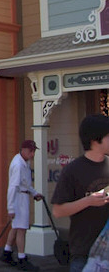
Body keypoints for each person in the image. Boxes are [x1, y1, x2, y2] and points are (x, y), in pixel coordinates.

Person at [51, 114, 109, 272]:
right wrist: (88, 201)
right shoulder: (73, 170)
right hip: (83, 253)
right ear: (95, 140)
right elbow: (57, 211)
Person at [0, 139, 43, 271]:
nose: (32, 154)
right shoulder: (18, 165)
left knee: (16, 226)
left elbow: (25, 184)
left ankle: (7, 252)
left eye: (33, 151)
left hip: (22, 196)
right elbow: (13, 187)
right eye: (31, 151)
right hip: (19, 199)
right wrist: (11, 208)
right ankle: (21, 257)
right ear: (23, 150)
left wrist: (34, 193)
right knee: (21, 229)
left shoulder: (24, 162)